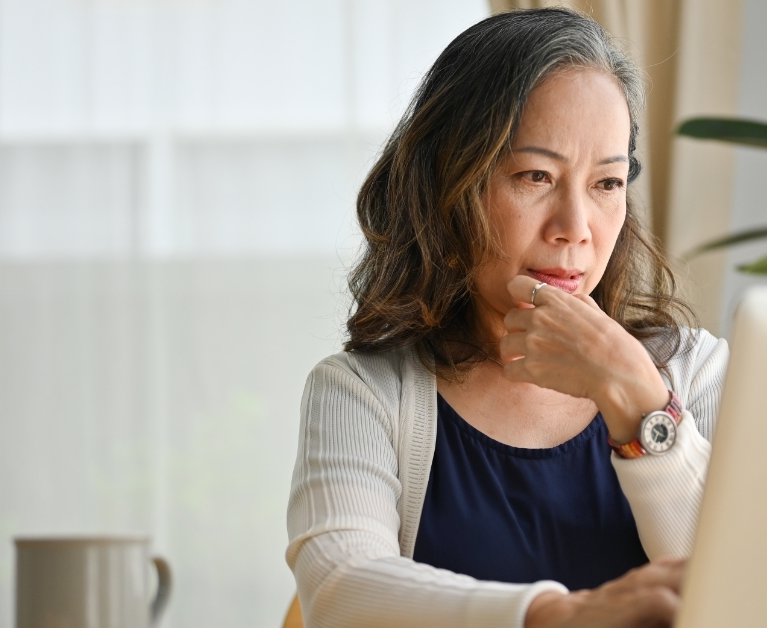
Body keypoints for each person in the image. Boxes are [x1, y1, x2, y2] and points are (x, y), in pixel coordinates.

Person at [286, 8, 728, 628]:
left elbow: (744, 594)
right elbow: (338, 590)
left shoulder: (696, 372)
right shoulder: (362, 393)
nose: (575, 229)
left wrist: (635, 395)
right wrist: (558, 616)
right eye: (536, 176)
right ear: (450, 186)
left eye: (606, 184)